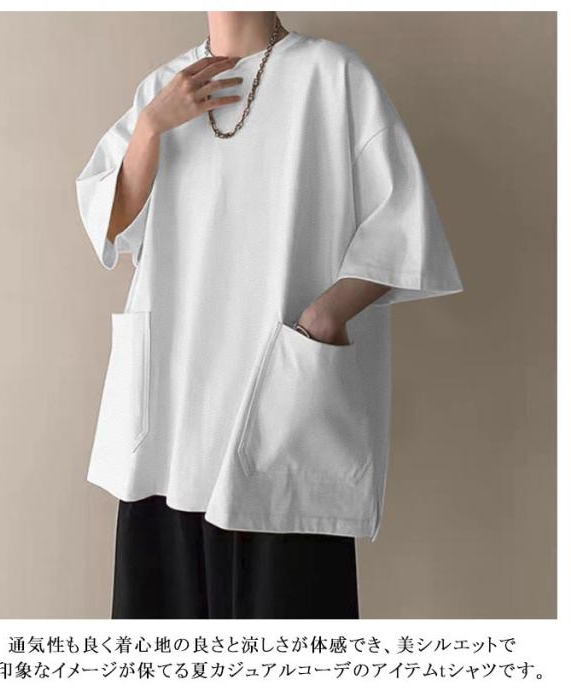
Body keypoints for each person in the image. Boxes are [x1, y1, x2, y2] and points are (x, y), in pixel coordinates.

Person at [75, 11, 464, 619]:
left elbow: (404, 226)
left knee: (289, 626)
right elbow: (110, 219)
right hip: (174, 414)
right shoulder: (163, 88)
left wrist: (325, 318)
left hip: (282, 397)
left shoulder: (332, 74)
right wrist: (151, 127)